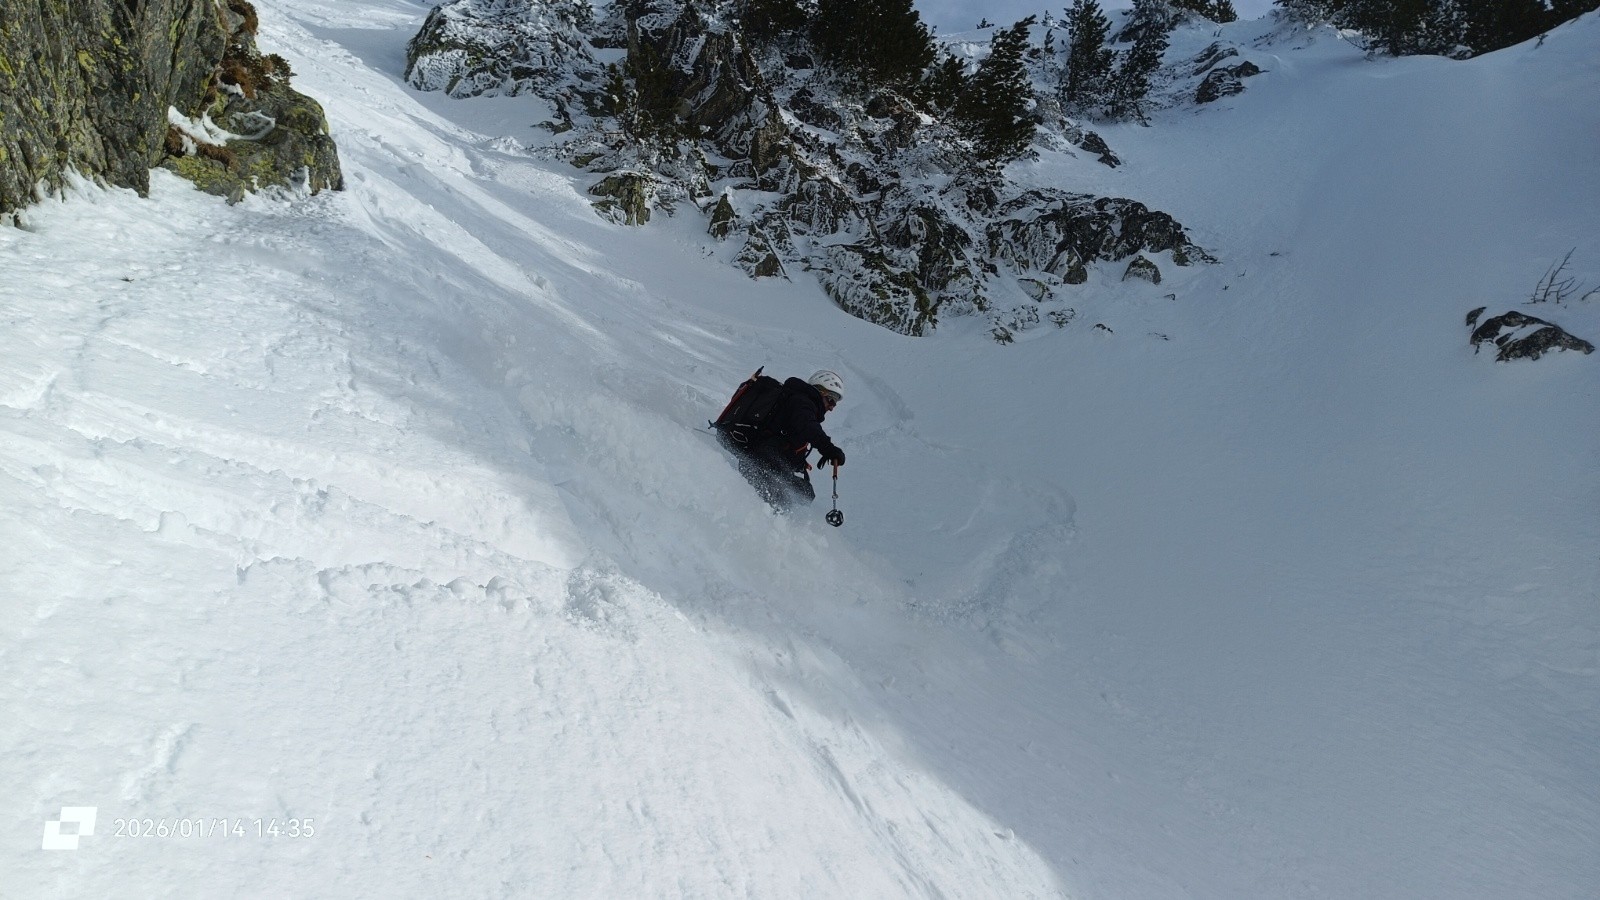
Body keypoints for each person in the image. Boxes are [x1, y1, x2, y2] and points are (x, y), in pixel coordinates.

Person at [718, 369, 846, 511]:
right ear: (820, 391)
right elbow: (809, 427)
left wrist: (799, 462)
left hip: (764, 462)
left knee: (805, 492)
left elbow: (786, 436)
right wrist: (829, 449)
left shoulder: (798, 400)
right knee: (784, 503)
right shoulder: (802, 402)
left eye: (835, 403)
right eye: (831, 399)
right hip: (762, 464)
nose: (832, 407)